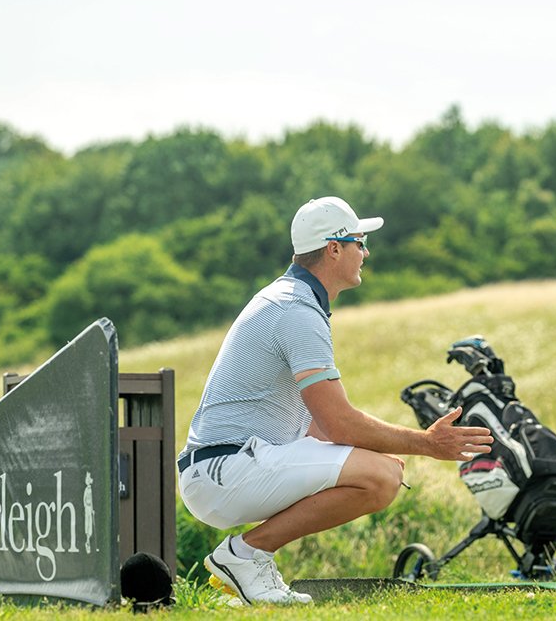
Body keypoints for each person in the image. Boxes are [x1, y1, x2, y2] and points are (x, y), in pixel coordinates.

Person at [178, 196, 494, 605]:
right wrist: (427, 443)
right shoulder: (296, 310)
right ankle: (245, 555)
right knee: (380, 478)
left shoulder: (290, 299)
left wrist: (373, 453)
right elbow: (338, 424)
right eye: (360, 243)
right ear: (333, 249)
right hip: (223, 470)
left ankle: (248, 560)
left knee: (380, 471)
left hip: (220, 469)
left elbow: (317, 423)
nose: (366, 253)